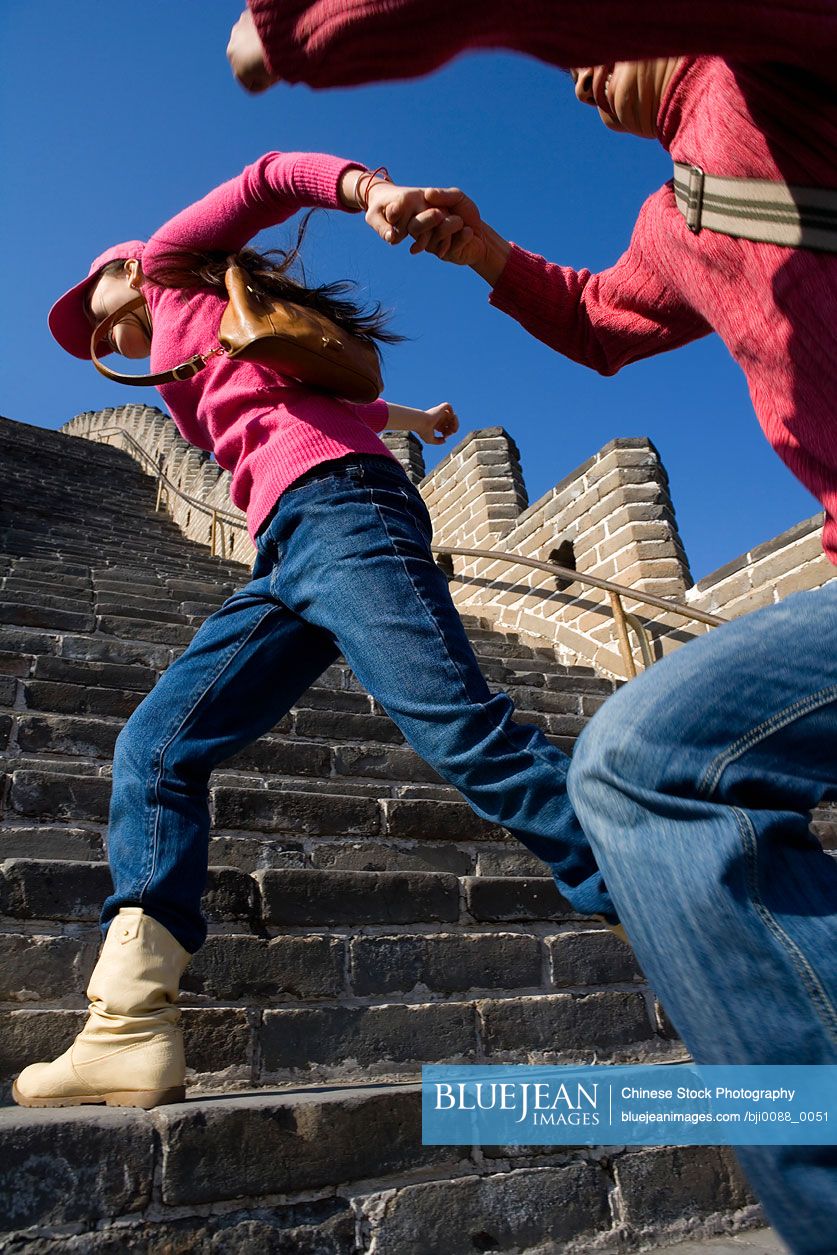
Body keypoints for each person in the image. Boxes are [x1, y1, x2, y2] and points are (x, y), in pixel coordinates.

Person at [225, 7, 837, 1252]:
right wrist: (486, 252)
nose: (570, 85)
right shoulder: (675, 215)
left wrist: (304, 32)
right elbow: (607, 322)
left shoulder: (780, 67)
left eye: (577, 53)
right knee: (647, 762)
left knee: (647, 765)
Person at [13, 149, 617, 1113]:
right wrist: (415, 414)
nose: (100, 330)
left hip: (342, 509)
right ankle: (128, 1026)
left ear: (129, 269)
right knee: (156, 745)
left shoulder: (171, 265)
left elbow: (265, 177)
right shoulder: (188, 350)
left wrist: (370, 192)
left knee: (461, 728)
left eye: (98, 302)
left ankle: (692, 902)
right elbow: (315, 394)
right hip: (285, 548)